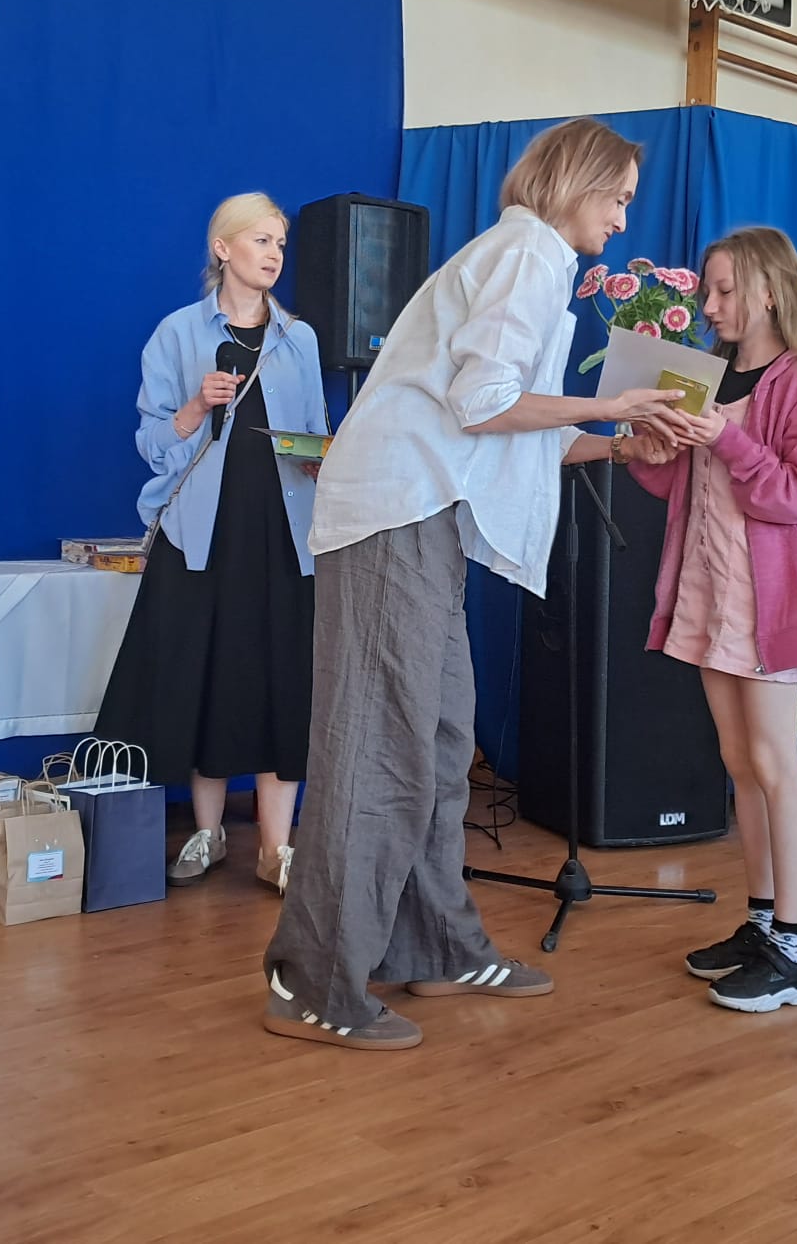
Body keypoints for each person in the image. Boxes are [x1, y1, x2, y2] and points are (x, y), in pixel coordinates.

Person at [261, 118, 686, 1051]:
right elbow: (483, 402)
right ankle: (313, 980)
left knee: (442, 741)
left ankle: (434, 945)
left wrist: (618, 443)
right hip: (395, 515)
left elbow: (510, 427)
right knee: (381, 750)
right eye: (617, 198)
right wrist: (610, 403)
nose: (622, 220)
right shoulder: (527, 254)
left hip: (423, 520)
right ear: (576, 183)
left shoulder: (531, 259)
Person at [622, 225, 797, 1014]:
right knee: (739, 762)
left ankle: (795, 952)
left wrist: (726, 437)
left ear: (768, 293)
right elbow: (682, 486)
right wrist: (654, 451)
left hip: (771, 604)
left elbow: (793, 497)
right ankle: (761, 924)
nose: (709, 306)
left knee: (776, 763)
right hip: (713, 592)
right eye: (706, 291)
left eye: (722, 291)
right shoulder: (708, 377)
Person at [94, 193, 328, 896]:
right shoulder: (176, 333)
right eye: (261, 240)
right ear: (222, 248)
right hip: (202, 535)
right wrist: (197, 406)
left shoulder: (300, 339)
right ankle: (208, 832)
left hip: (284, 537)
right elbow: (151, 441)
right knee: (205, 678)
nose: (274, 254)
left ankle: (277, 847)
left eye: (280, 243)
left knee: (283, 683)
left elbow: (314, 434)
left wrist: (323, 455)